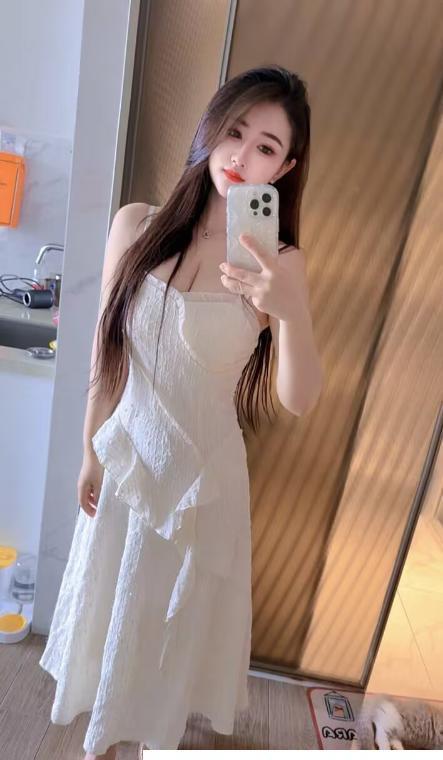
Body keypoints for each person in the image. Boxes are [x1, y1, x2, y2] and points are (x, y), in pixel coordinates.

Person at [38, 65, 323, 758]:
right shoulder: (137, 224)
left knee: (166, 636)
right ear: (209, 128)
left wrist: (289, 314)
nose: (241, 155)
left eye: (265, 146)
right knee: (113, 618)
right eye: (233, 131)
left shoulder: (279, 262)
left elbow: (298, 398)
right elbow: (107, 348)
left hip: (203, 486)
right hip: (127, 462)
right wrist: (88, 448)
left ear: (284, 167)